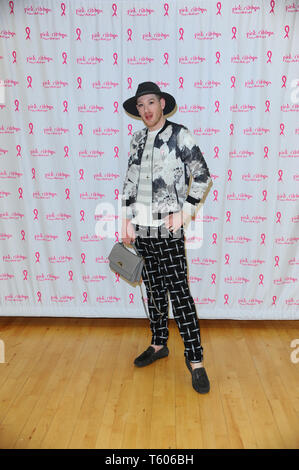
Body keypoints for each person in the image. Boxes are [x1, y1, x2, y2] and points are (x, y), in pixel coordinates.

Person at [121, 82, 212, 394]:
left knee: (180, 294)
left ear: (161, 103)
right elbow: (129, 182)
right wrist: (125, 220)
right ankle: (159, 344)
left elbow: (202, 175)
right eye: (141, 106)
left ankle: (196, 361)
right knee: (154, 291)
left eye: (150, 103)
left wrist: (184, 213)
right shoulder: (136, 139)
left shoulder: (179, 134)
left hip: (168, 229)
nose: (146, 110)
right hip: (142, 230)